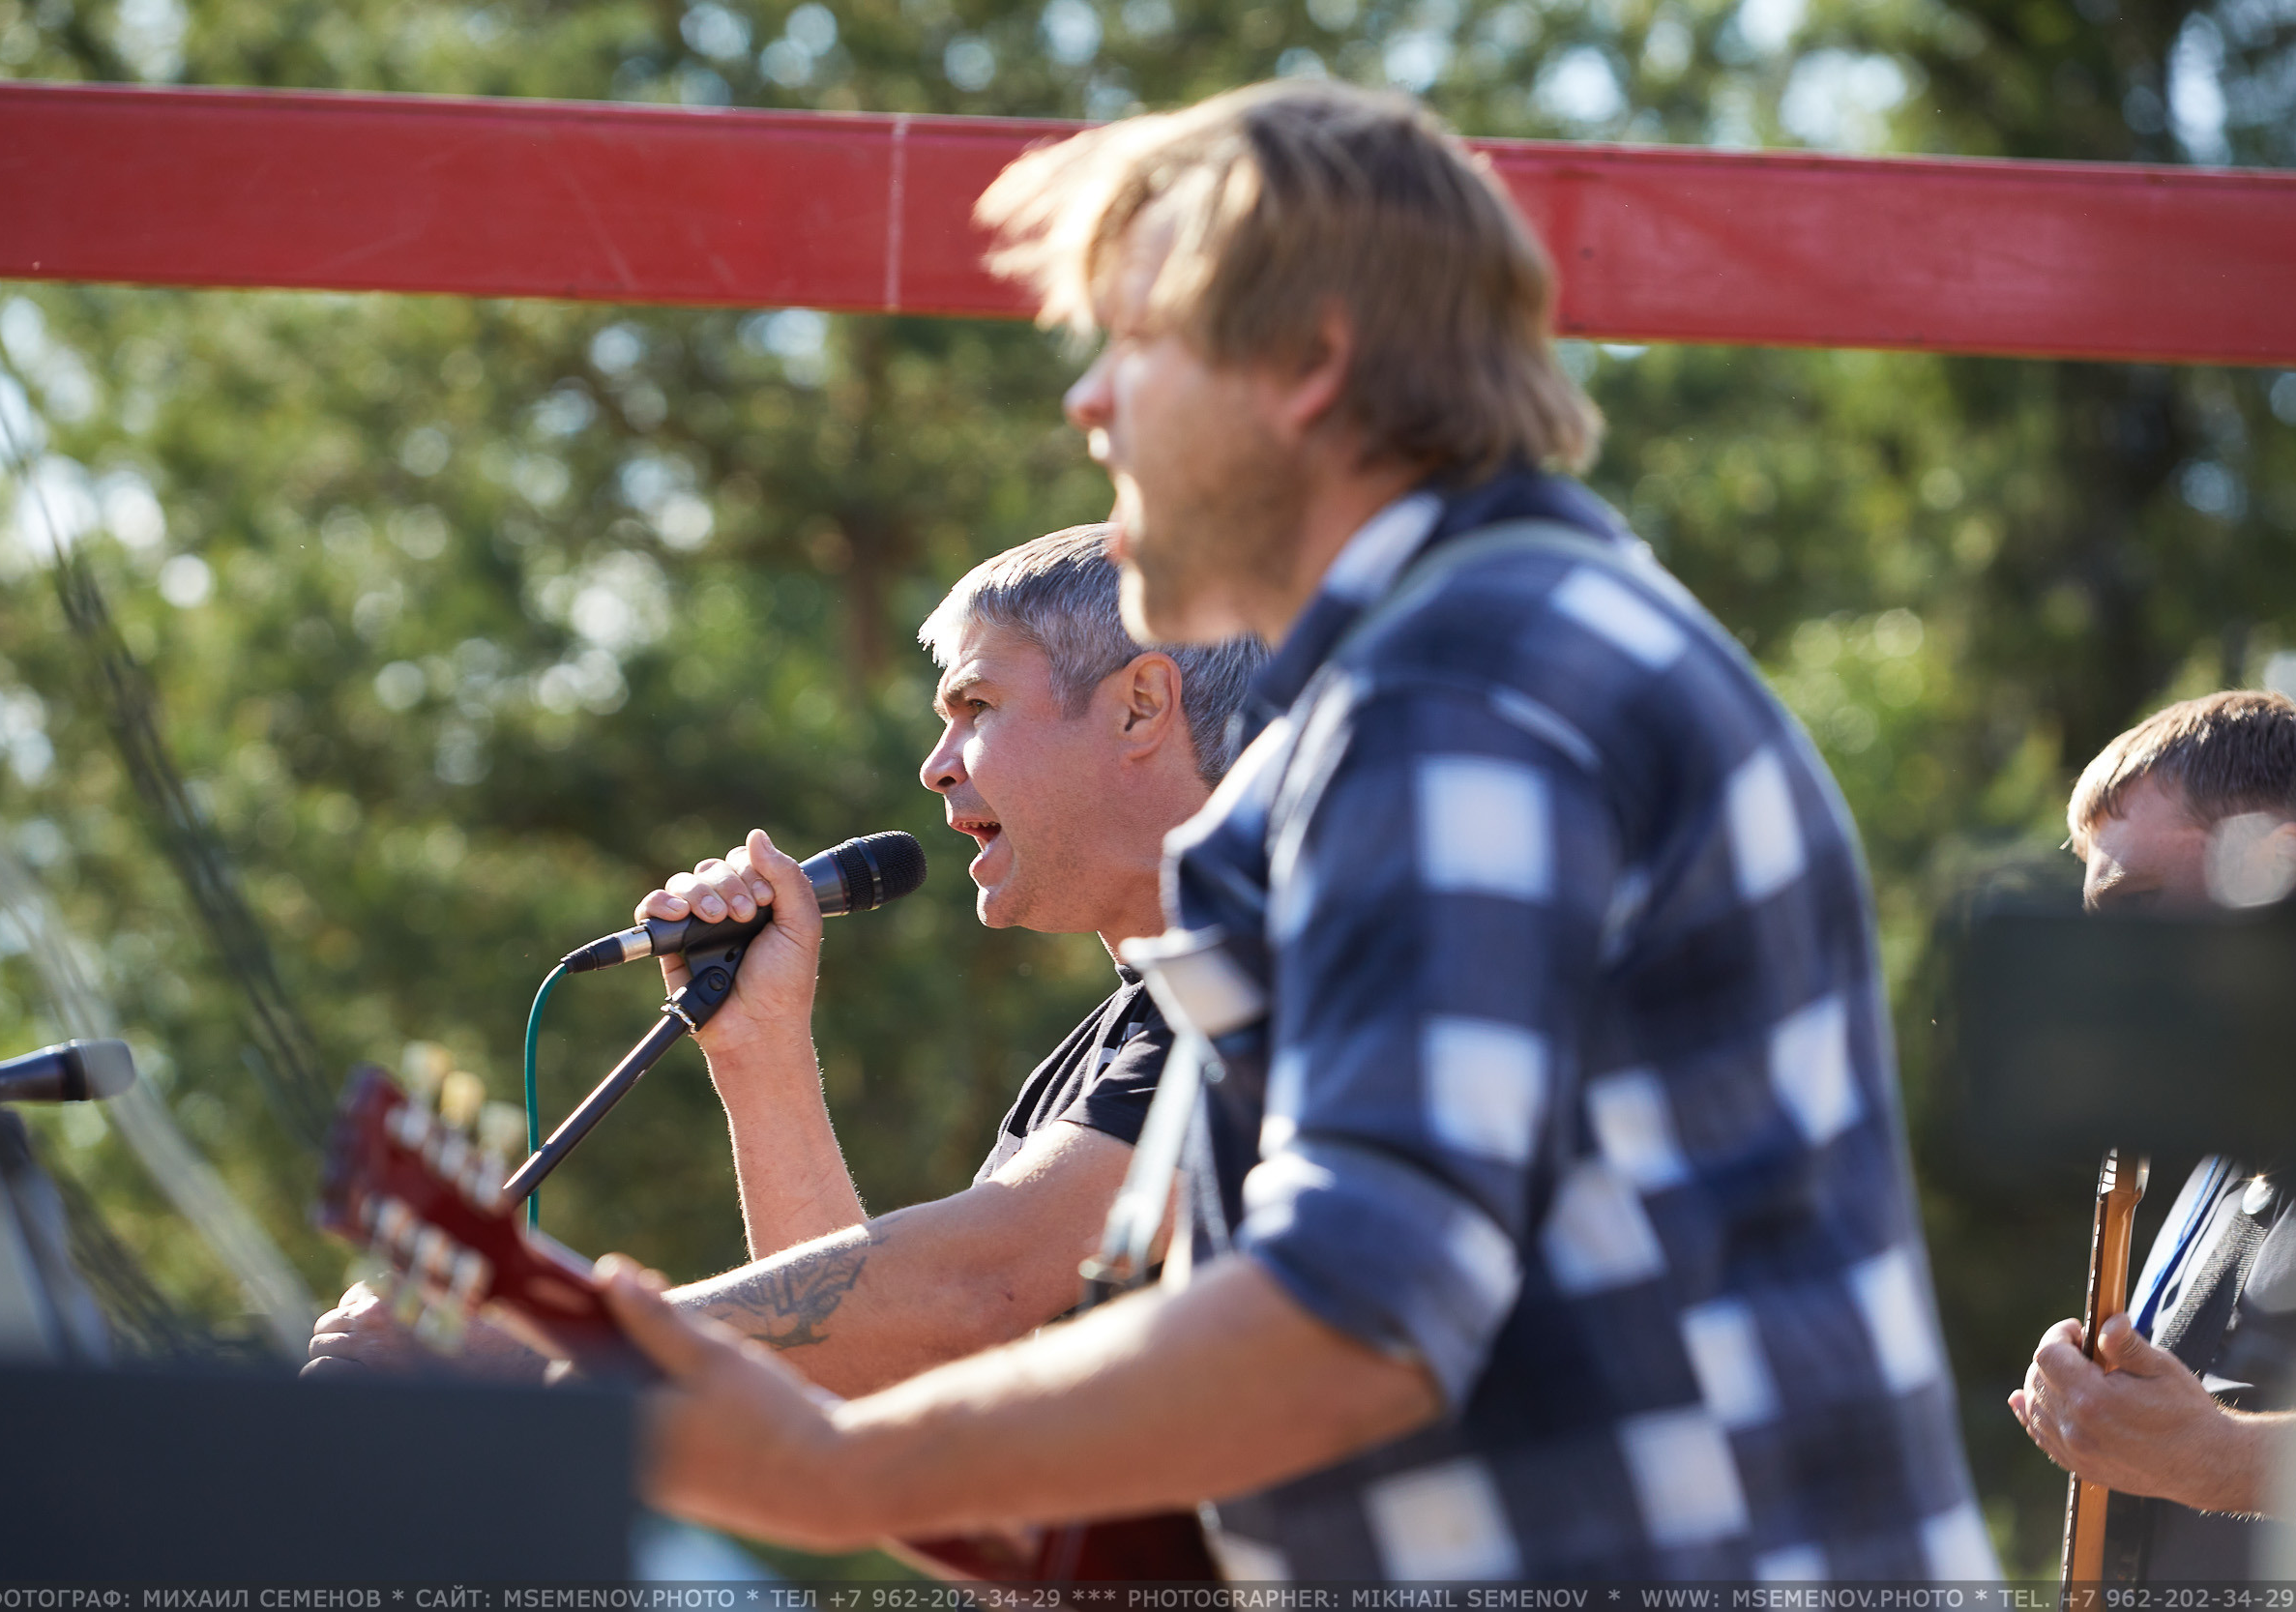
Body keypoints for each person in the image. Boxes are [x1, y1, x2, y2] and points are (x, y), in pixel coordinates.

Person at [593, 78, 1995, 1582]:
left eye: (1135, 342)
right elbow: (1169, 1480)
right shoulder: (1464, 669)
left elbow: (1355, 1315)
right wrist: (733, 1403)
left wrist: (804, 1454)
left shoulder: (1464, 682)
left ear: (1311, 360)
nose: (1087, 403)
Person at [307, 527, 1260, 1396]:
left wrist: (549, 1337)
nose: (935, 763)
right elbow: (866, 1383)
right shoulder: (1113, 1045)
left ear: (1140, 706)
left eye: (976, 705)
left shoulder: (1274, 978)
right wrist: (759, 1053)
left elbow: (972, 1289)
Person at [2012, 688, 2296, 1580]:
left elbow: (2211, 1455)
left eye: (2139, 905)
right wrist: (2099, 1420)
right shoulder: (2207, 1156)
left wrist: (2220, 1456)